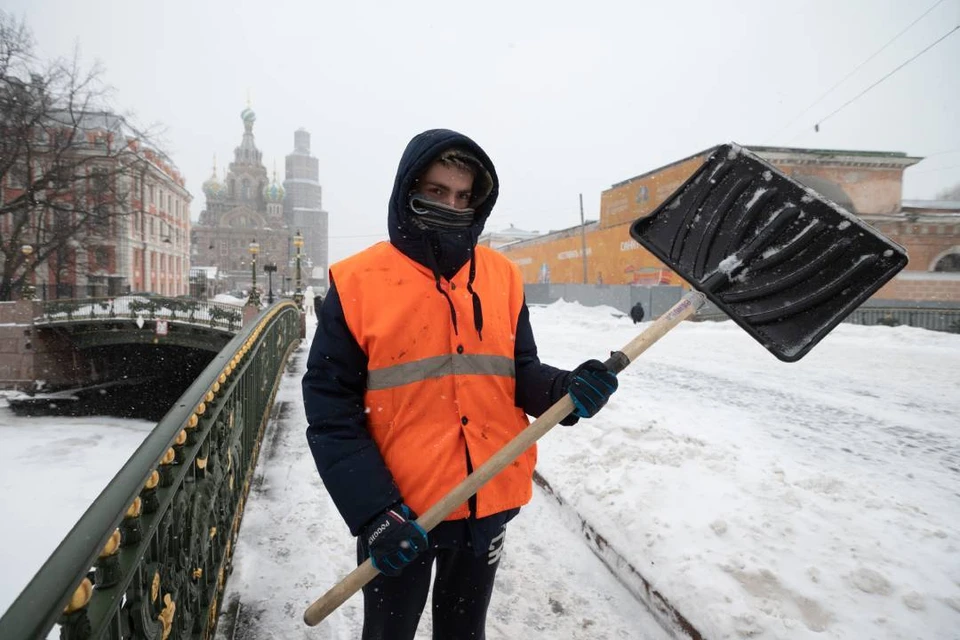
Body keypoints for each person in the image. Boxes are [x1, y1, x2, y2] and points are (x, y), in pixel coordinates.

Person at [302, 129, 619, 639]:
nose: (452, 205)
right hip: (402, 514)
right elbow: (330, 409)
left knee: (464, 633)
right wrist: (375, 513)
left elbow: (518, 372)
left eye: (463, 196)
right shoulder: (359, 281)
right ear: (409, 191)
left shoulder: (502, 276)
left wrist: (567, 389)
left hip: (485, 502)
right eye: (436, 192)